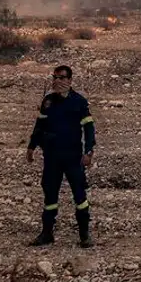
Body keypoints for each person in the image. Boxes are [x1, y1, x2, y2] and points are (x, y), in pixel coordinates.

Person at [26, 64, 96, 247]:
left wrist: (89, 152)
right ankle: (47, 233)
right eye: (55, 77)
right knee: (50, 196)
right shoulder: (48, 101)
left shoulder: (79, 102)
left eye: (62, 77)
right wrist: (31, 146)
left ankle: (84, 236)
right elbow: (39, 125)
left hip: (73, 157)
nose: (58, 81)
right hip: (52, 157)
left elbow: (89, 128)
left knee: (80, 196)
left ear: (70, 80)